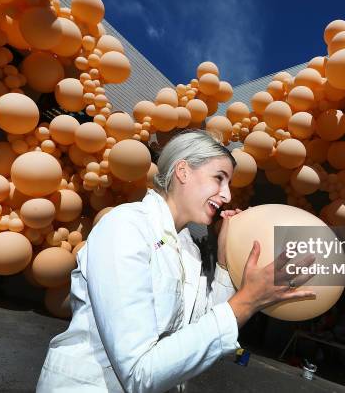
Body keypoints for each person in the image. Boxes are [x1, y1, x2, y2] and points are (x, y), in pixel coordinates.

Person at [36, 130, 315, 392]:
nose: (228, 195)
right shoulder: (125, 226)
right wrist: (248, 301)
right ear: (183, 171)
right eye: (219, 178)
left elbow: (200, 332)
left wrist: (225, 260)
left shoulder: (189, 250)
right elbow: (139, 373)